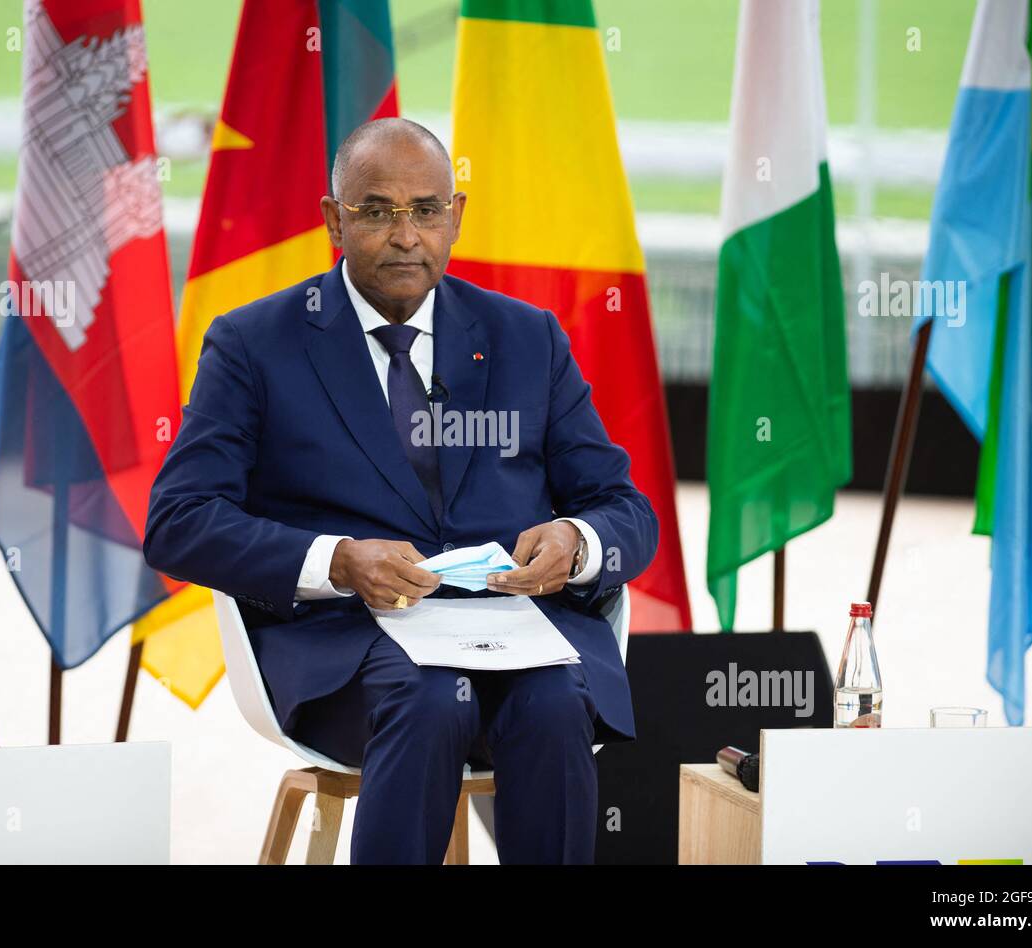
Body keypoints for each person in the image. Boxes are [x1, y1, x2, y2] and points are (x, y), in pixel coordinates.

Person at [144, 118, 658, 864]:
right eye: (377, 210)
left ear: (457, 216)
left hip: (517, 633)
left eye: (426, 209)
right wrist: (337, 559)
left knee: (552, 706)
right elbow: (178, 520)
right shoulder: (256, 343)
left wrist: (577, 543)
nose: (406, 235)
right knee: (424, 696)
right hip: (348, 647)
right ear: (333, 220)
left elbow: (624, 509)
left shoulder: (527, 337)